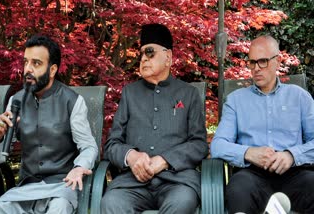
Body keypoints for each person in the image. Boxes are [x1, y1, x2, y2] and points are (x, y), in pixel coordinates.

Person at [101, 23, 208, 214]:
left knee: (181, 202)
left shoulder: (188, 94)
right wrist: (131, 156)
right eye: (141, 53)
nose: (143, 59)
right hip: (132, 183)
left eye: (149, 53)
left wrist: (165, 160)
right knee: (112, 203)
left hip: (177, 181)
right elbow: (112, 144)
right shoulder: (129, 94)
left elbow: (199, 144)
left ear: (168, 57)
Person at [0, 35, 98, 213]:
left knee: (58, 208)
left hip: (62, 185)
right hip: (26, 187)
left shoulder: (72, 101)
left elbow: (89, 146)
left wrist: (79, 167)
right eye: (26, 62)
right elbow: (7, 146)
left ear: (52, 70)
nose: (28, 69)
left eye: (36, 63)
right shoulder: (16, 100)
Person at [211, 35, 314, 213]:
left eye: (263, 61)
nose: (256, 68)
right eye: (252, 62)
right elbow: (217, 146)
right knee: (238, 189)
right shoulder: (236, 100)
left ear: (278, 61)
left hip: (295, 174)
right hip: (252, 176)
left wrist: (292, 155)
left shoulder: (299, 97)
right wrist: (248, 152)